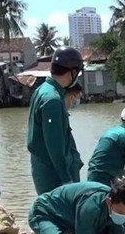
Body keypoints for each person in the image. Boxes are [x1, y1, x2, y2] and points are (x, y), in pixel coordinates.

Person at [27, 46, 84, 195]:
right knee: (61, 216)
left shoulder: (42, 90)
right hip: (54, 176)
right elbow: (55, 146)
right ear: (72, 72)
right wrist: (66, 179)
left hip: (45, 169)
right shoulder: (53, 100)